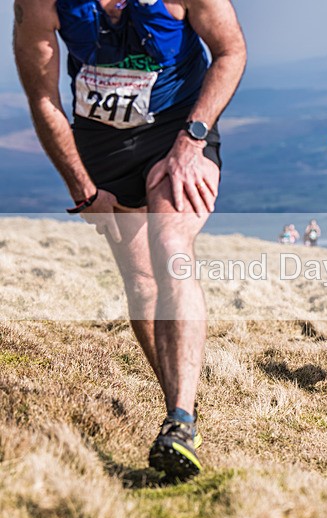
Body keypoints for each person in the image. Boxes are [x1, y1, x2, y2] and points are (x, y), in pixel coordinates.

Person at [13, 0, 246, 481]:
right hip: (102, 144)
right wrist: (82, 188)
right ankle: (180, 411)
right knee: (141, 281)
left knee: (171, 252)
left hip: (178, 131)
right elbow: (43, 98)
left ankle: (180, 421)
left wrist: (192, 141)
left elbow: (231, 50)